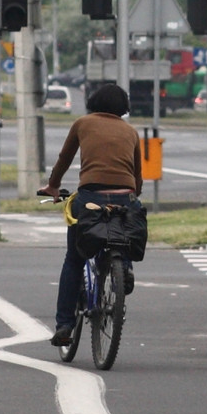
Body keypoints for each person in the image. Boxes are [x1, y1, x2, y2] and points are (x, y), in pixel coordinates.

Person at [38, 84, 145, 347]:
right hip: (125, 197)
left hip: (91, 197)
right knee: (123, 232)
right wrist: (131, 193)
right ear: (123, 107)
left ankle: (64, 325)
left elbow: (65, 158)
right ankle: (125, 267)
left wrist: (53, 185)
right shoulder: (131, 132)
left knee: (74, 259)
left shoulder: (83, 124)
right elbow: (138, 178)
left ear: (93, 102)